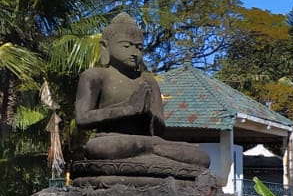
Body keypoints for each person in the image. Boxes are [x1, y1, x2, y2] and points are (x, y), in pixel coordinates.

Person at [74, 13, 211, 177]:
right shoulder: (95, 76)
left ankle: (148, 157)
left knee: (201, 157)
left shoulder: (148, 81)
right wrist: (127, 109)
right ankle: (152, 159)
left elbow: (160, 128)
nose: (134, 53)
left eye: (139, 48)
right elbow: (82, 118)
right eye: (127, 46)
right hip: (113, 139)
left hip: (147, 142)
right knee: (102, 148)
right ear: (105, 47)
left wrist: (148, 114)